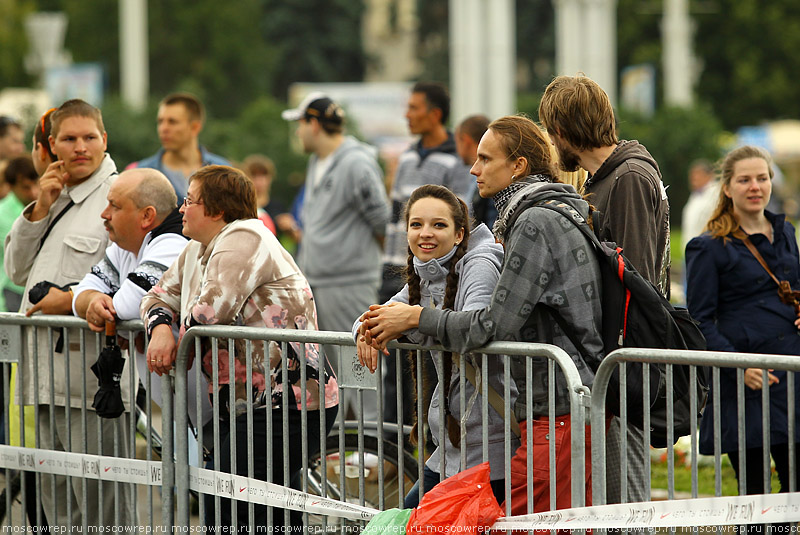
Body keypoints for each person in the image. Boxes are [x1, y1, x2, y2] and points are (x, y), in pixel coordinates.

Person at [360, 115, 602, 515]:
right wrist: (371, 326)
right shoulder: (542, 212)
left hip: (556, 410)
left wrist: (416, 319)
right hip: (553, 410)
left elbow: (489, 326)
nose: (473, 169)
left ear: (518, 166)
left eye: (486, 159)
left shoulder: (535, 221)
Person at [140, 165, 339, 531]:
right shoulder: (197, 250)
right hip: (247, 405)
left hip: (290, 400)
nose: (181, 209)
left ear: (217, 210)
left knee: (226, 493)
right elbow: (154, 297)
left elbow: (209, 314)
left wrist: (174, 328)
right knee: (264, 503)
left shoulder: (245, 236)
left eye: (190, 200)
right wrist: (159, 330)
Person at [4, 99, 135, 528]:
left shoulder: (121, 196)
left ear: (104, 140)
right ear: (51, 145)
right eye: (69, 139)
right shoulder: (55, 194)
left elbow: (142, 278)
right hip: (43, 377)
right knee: (59, 511)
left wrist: (74, 297)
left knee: (103, 513)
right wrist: (41, 206)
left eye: (89, 137)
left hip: (92, 383)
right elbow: (16, 270)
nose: (80, 147)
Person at [539, 74, 670, 505]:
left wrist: (615, 358)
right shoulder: (605, 178)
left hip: (624, 361)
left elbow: (636, 282)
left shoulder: (628, 177)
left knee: (625, 500)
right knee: (606, 497)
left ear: (562, 130)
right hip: (609, 360)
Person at [354, 184, 513, 506]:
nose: (425, 233)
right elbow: (368, 318)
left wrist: (415, 319)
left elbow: (475, 328)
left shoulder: (479, 265)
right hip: (450, 447)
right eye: (416, 224)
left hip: (493, 447)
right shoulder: (426, 272)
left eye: (438, 225)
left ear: (459, 235)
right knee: (404, 523)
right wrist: (365, 333)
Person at [686, 146, 800, 502]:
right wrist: (738, 366)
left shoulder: (786, 233)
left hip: (791, 372)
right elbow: (699, 319)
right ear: (727, 187)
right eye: (745, 179)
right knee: (754, 496)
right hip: (746, 382)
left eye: (762, 178)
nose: (755, 186)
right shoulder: (708, 247)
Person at [70, 168, 211, 446]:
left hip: (221, 404)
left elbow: (128, 306)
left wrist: (102, 302)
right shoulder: (124, 243)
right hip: (193, 406)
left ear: (146, 216)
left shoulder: (174, 242)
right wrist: (92, 301)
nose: (104, 214)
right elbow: (81, 293)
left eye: (115, 206)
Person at [283, 93, 390, 421]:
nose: (298, 132)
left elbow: (382, 219)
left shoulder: (357, 162)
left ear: (314, 124)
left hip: (349, 282)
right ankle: (345, 449)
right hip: (321, 281)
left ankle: (375, 450)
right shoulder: (319, 160)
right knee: (332, 369)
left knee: (361, 364)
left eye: (299, 124)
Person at [380, 81, 476, 426]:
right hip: (399, 269)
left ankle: (430, 433)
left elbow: (456, 213)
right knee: (395, 367)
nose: (407, 115)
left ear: (435, 114)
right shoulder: (406, 154)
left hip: (438, 275)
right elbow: (396, 217)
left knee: (433, 368)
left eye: (414, 108)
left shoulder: (455, 159)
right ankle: (396, 441)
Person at [128, 92, 229, 200]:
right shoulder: (142, 173)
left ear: (195, 127)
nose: (163, 128)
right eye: (160, 121)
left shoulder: (223, 172)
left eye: (172, 122)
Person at [0, 157, 39, 312]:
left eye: (36, 184)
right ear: (10, 186)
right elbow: (25, 253)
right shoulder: (3, 214)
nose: (33, 192)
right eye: (25, 187)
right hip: (12, 291)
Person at [241, 154, 301, 243]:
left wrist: (290, 228)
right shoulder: (239, 207)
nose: (259, 181)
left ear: (270, 178)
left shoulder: (277, 207)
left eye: (263, 175)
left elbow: (298, 238)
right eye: (254, 175)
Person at [456, 114, 497, 229]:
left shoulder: (491, 178)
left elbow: (493, 226)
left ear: (466, 140)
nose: (474, 170)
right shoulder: (473, 178)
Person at [681, 159, 719, 252]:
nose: (694, 179)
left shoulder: (716, 194)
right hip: (691, 250)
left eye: (698, 175)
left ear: (709, 176)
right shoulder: (695, 195)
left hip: (706, 250)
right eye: (692, 175)